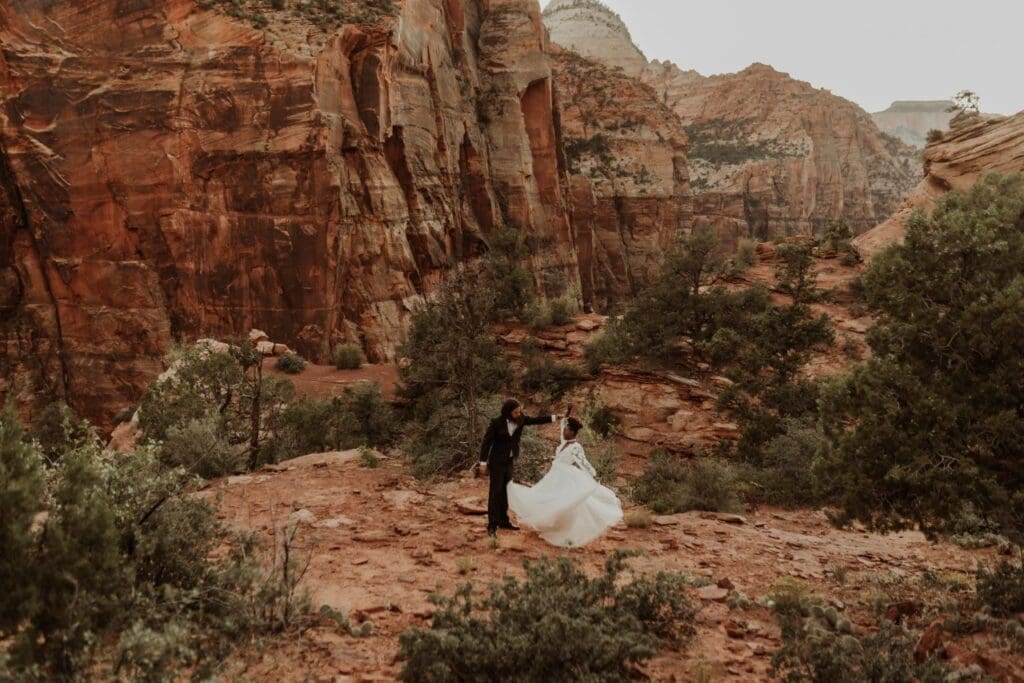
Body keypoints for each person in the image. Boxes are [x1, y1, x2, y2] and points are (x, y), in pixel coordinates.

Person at [507, 416, 623, 548]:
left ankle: (563, 529)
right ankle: (552, 524)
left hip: (565, 476)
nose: (564, 432)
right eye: (565, 429)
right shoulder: (564, 442)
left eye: (567, 430)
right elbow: (562, 425)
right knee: (549, 498)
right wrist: (567, 415)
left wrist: (592, 474)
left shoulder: (576, 447)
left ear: (573, 433)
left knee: (564, 501)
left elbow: (583, 462)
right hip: (554, 475)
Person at [478, 399, 559, 537]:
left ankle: (504, 521)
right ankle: (492, 525)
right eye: (515, 412)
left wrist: (554, 418)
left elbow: (535, 420)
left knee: (506, 491)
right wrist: (483, 462)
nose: (518, 414)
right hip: (497, 462)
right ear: (508, 412)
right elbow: (487, 443)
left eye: (519, 411)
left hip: (509, 461)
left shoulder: (521, 419)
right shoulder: (496, 423)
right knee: (495, 493)